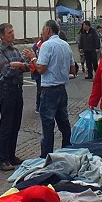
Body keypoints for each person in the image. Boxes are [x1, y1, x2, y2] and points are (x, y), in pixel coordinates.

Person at [0, 23, 33, 172]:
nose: (12, 34)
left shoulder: (16, 50)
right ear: (2, 35)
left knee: (16, 124)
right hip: (6, 90)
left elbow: (28, 66)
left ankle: (11, 155)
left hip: (18, 89)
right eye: (9, 32)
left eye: (12, 31)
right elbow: (7, 71)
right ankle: (3, 159)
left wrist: (19, 65)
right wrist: (20, 66)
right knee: (6, 125)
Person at [35, 19, 73, 156]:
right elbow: (73, 69)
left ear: (48, 30)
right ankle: (67, 149)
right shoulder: (65, 45)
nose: (41, 32)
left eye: (43, 29)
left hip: (49, 89)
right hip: (62, 89)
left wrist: (33, 58)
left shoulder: (47, 45)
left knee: (48, 125)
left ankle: (46, 156)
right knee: (64, 122)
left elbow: (41, 69)